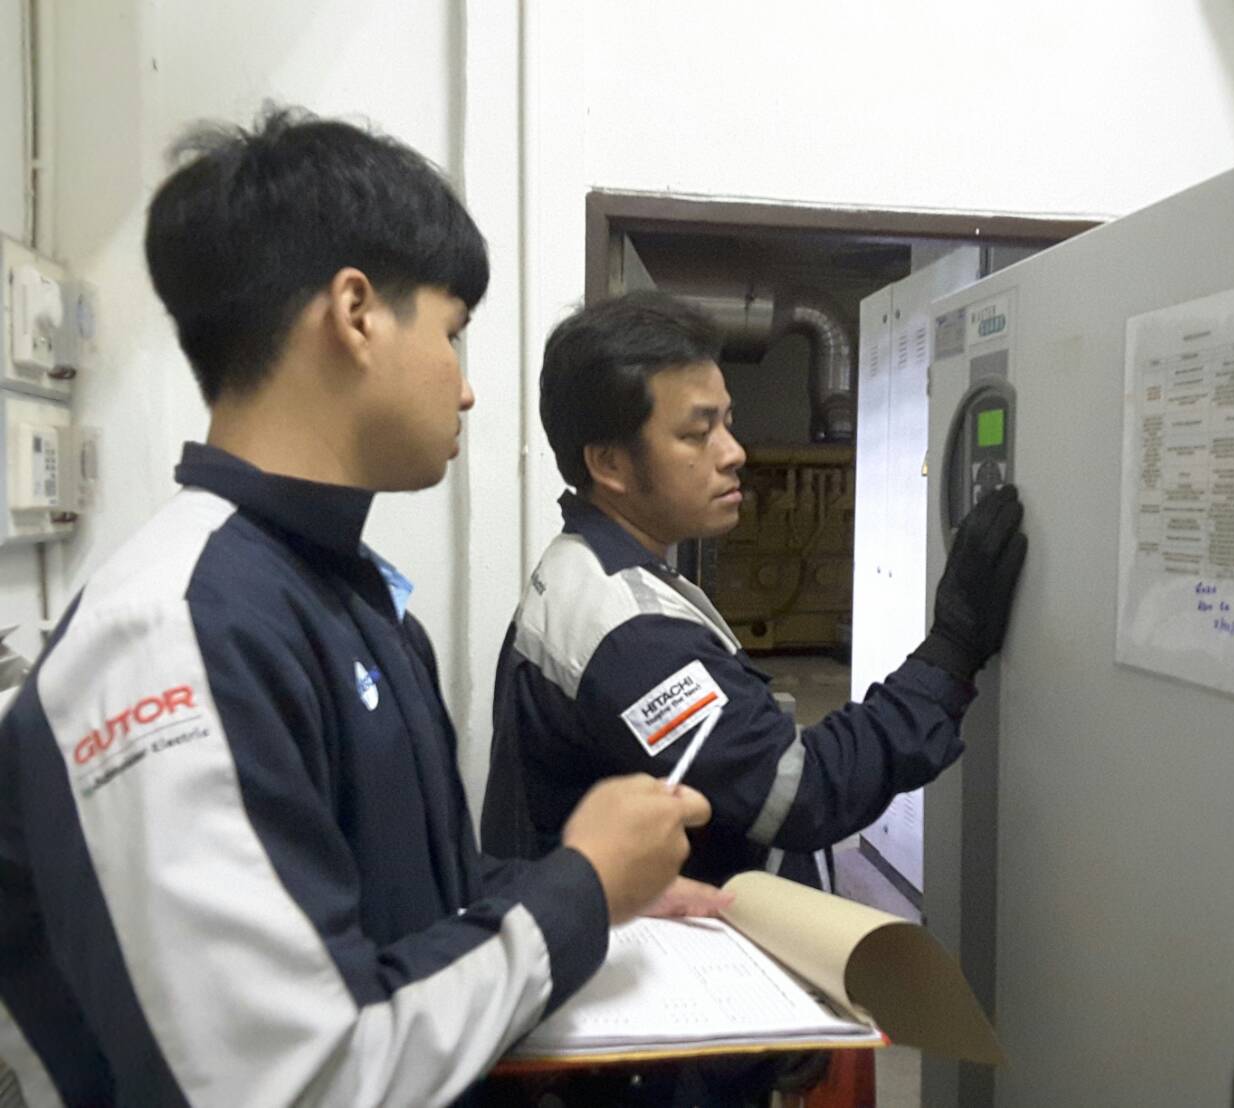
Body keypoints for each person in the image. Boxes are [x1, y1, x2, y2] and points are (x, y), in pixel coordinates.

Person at [0, 110, 718, 1107]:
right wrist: (580, 888)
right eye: (452, 333)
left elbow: (403, 907)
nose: (466, 390)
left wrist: (598, 889)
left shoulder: (353, 600)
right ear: (356, 313)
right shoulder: (175, 634)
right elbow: (292, 1078)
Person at [480, 290, 1027, 894]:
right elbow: (803, 792)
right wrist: (952, 649)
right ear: (609, 464)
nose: (734, 453)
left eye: (728, 422)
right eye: (698, 433)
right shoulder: (630, 633)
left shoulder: (586, 567)